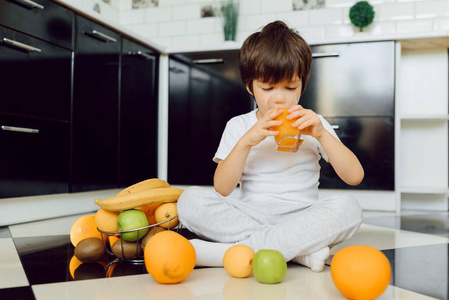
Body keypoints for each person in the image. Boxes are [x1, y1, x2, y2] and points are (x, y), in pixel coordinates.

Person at [177, 20, 364, 272]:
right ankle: (298, 252)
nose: (279, 97)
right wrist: (247, 141)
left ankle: (231, 252)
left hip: (303, 216)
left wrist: (321, 134)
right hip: (249, 215)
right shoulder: (239, 125)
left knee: (349, 209)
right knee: (189, 201)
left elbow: (354, 176)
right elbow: (222, 188)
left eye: (290, 87)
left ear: (303, 85)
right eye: (267, 87)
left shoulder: (313, 123)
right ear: (249, 86)